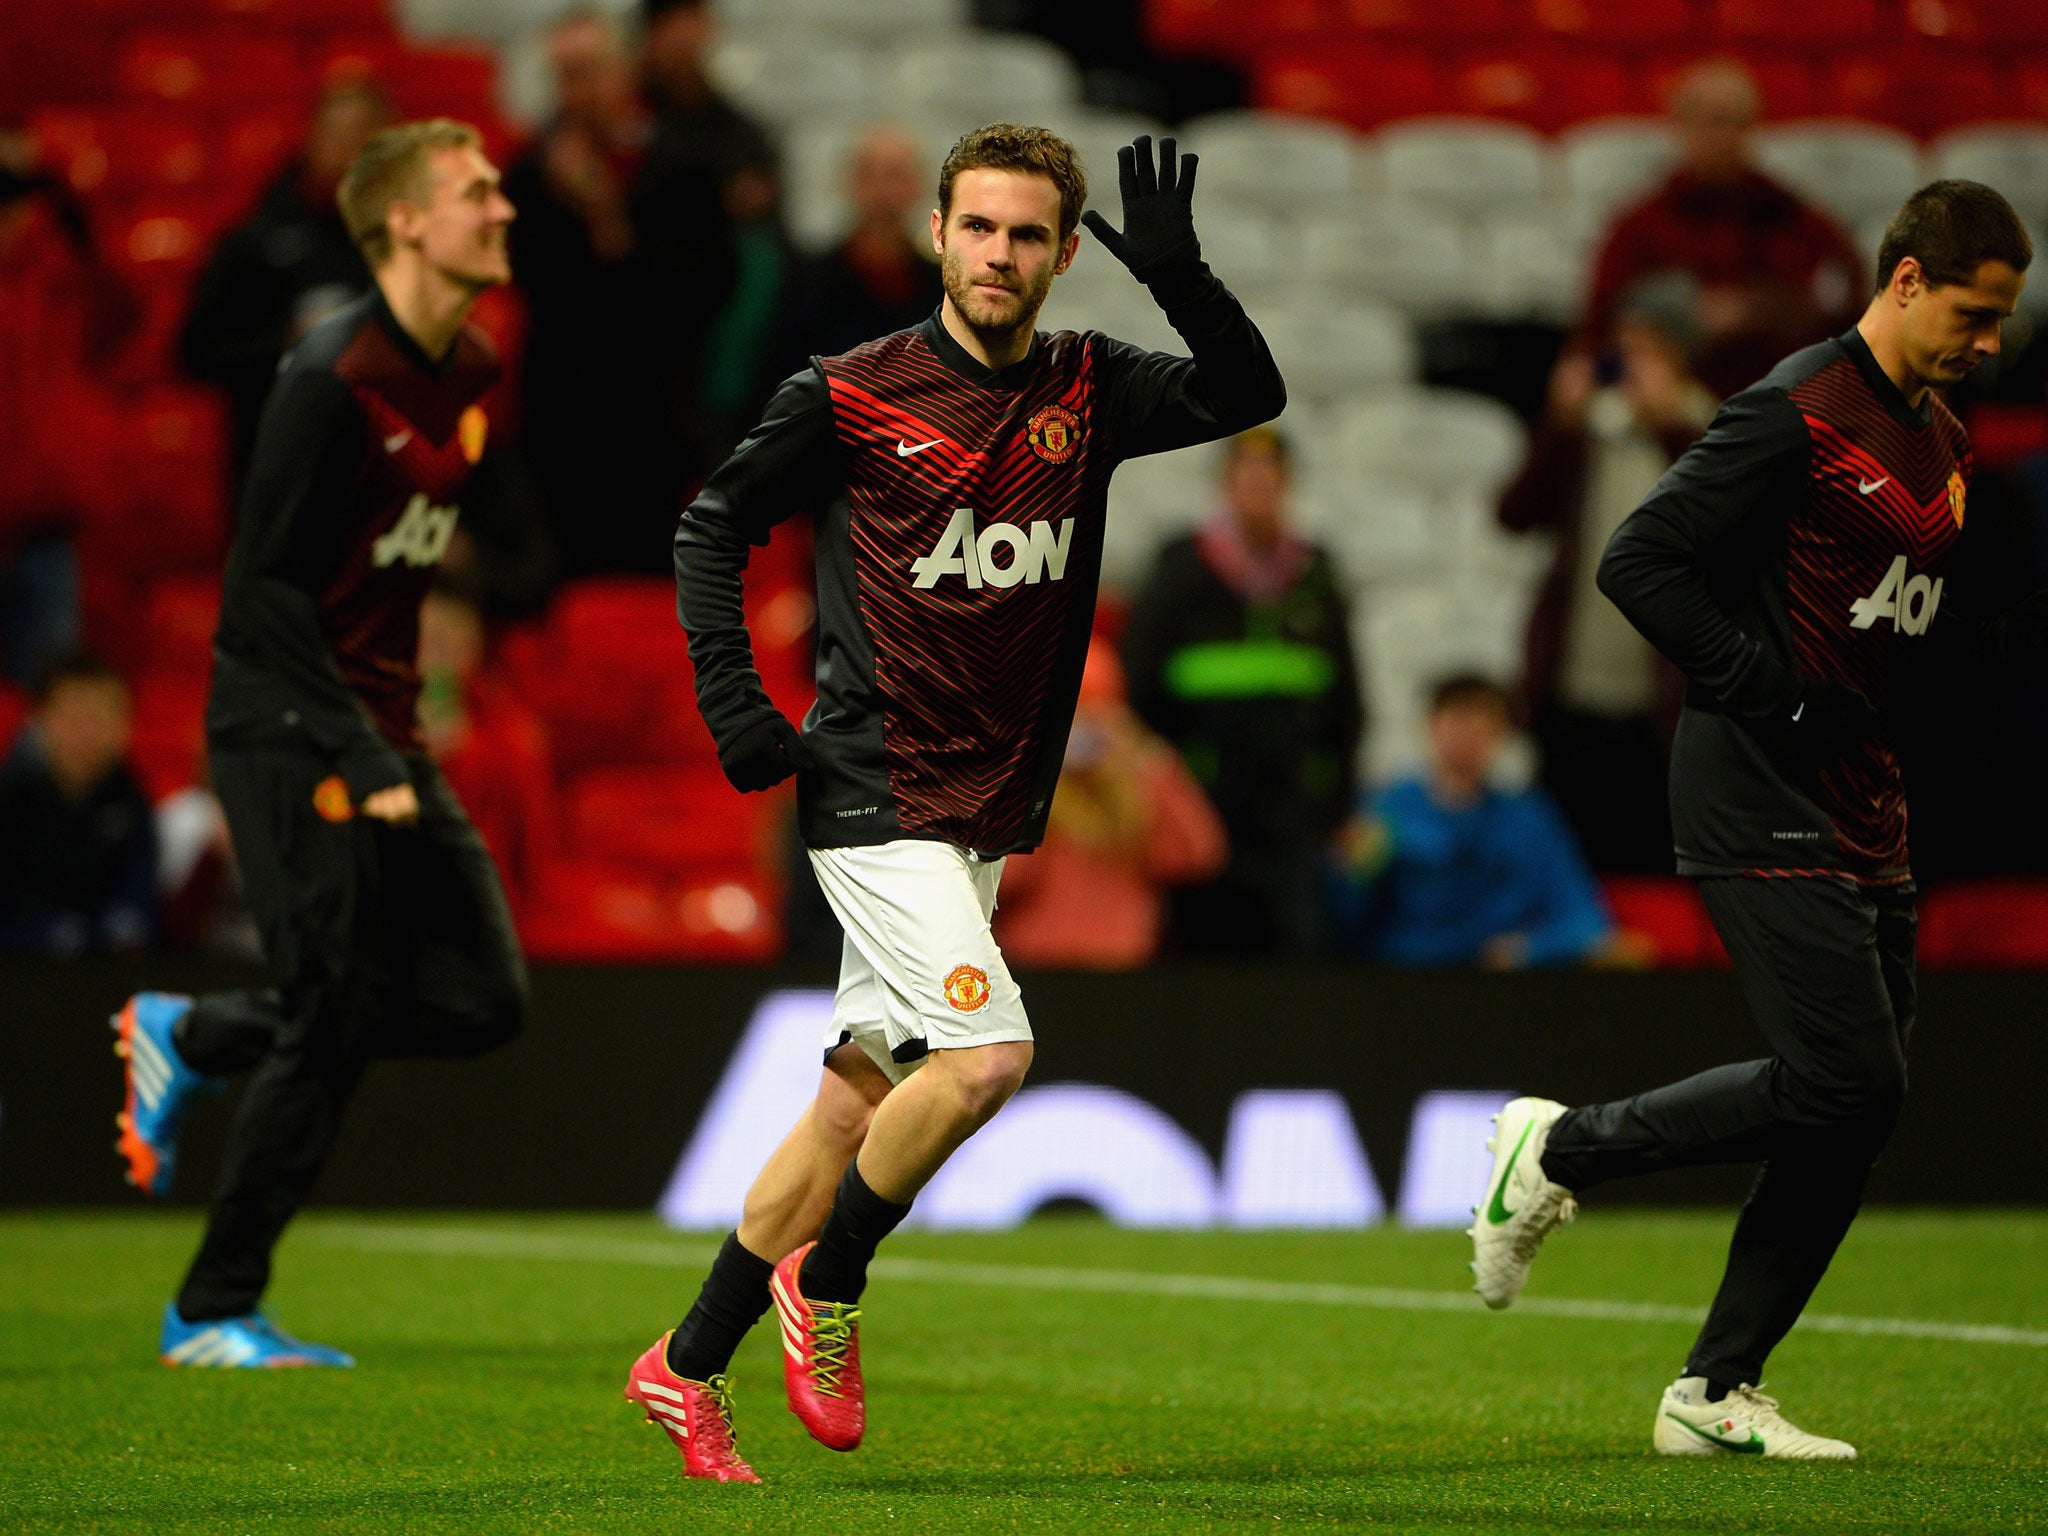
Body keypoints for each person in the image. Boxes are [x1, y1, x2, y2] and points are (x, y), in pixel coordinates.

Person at [628, 126, 1283, 1483]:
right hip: (874, 790)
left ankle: (684, 1367)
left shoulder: (1091, 389)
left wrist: (1184, 279)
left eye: (1028, 235)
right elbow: (710, 525)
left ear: (1055, 254)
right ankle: (835, 1282)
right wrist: (736, 705)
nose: (1000, 255)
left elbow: (1248, 390)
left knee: (854, 1112)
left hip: (986, 811)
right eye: (978, 228)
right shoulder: (851, 392)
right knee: (984, 1062)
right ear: (937, 233)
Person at [1470, 181, 2037, 1458]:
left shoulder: (1939, 436)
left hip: (1866, 799)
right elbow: (1637, 559)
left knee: (1857, 1107)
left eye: (2000, 318)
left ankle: (1713, 1391)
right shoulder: (1796, 410)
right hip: (1753, 785)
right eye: (1973, 311)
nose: (1989, 340)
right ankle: (1561, 1147)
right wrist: (1773, 699)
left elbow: (1904, 631)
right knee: (1849, 1077)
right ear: (1902, 282)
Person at [109, 120, 527, 1368]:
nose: (501, 207)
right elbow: (265, 594)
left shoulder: (471, 369)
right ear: (405, 222)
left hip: (383, 728)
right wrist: (355, 752)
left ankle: (198, 1036)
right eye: (475, 192)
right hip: (292, 730)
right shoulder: (329, 378)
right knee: (337, 1004)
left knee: (484, 999)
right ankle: (211, 1309)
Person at [1498, 274, 1717, 872]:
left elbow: (1726, 533)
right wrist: (1558, 426)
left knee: (1651, 873)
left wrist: (1670, 426)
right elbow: (1513, 514)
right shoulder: (1594, 433)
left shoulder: (1714, 434)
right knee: (1570, 870)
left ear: (1680, 356)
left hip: (1663, 711)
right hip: (1572, 703)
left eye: (1649, 350)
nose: (1632, 366)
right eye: (1627, 348)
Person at [1121, 426, 1362, 955]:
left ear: (1287, 485)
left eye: (1270, 477)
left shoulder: (1316, 573)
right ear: (1225, 485)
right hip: (1199, 814)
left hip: (1291, 821)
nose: (1258, 489)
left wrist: (1337, 807)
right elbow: (1138, 692)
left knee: (1296, 961)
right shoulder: (1180, 567)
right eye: (1245, 477)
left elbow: (1347, 703)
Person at [1578, 58, 1864, 401]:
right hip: (1668, 410)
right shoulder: (1640, 226)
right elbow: (1598, 336)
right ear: (1680, 126)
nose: (1724, 137)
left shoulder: (1792, 217)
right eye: (1712, 122)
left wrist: (1755, 311)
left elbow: (1845, 310)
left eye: (1738, 124)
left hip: (1784, 404)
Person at [178, 79, 393, 496]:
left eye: (371, 139)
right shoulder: (255, 242)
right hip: (279, 478)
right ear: (311, 138)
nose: (354, 152)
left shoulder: (404, 245)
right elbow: (195, 351)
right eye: (343, 135)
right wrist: (289, 343)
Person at [1330, 675, 1618, 969]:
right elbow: (1341, 925)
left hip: (1494, 984)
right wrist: (1356, 874)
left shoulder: (1529, 819)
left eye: (1481, 724)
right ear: (1430, 725)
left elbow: (1585, 920)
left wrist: (1525, 950)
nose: (1466, 736)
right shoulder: (1383, 811)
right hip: (1400, 980)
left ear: (1501, 733)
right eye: (1456, 720)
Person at [992, 639, 1227, 968]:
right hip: (1036, 973)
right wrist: (1030, 778)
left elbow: (1198, 857)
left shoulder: (1136, 795)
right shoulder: (1026, 794)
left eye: (1091, 715)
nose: (1079, 731)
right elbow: (1003, 883)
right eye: (1068, 719)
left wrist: (1153, 764)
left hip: (1123, 975)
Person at [0, 651, 156, 955]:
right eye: (74, 719)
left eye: (100, 719)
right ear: (39, 720)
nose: (87, 734)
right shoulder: (11, 800)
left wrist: (124, 925)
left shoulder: (131, 800)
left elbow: (138, 897)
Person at [769, 124, 946, 377]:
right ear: (849, 183)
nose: (881, 190)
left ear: (918, 187)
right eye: (868, 174)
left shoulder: (942, 290)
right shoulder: (806, 282)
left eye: (894, 175)